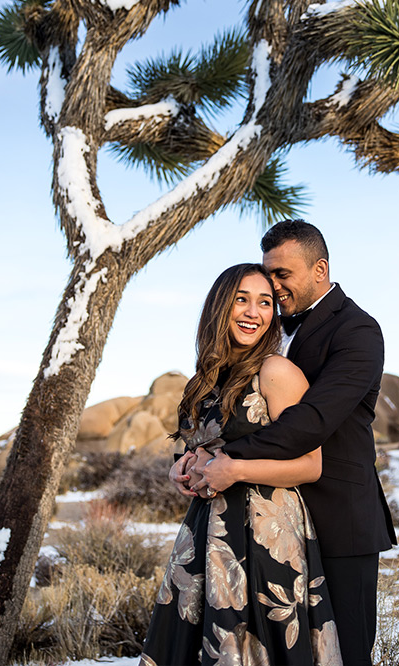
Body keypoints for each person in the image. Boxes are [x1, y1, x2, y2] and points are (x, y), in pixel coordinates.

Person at [181, 221, 396, 666]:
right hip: (267, 528)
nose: (273, 286)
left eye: (283, 275)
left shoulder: (358, 331)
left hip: (338, 519)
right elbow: (230, 413)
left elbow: (313, 421)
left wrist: (225, 461)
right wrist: (187, 457)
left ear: (320, 269)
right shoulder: (269, 328)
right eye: (268, 273)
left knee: (344, 653)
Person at [140, 262, 343, 666]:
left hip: (267, 533)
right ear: (220, 306)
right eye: (242, 300)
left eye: (265, 302)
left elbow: (310, 464)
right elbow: (205, 445)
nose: (254, 312)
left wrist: (236, 470)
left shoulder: (276, 373)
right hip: (206, 531)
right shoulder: (204, 380)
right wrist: (180, 465)